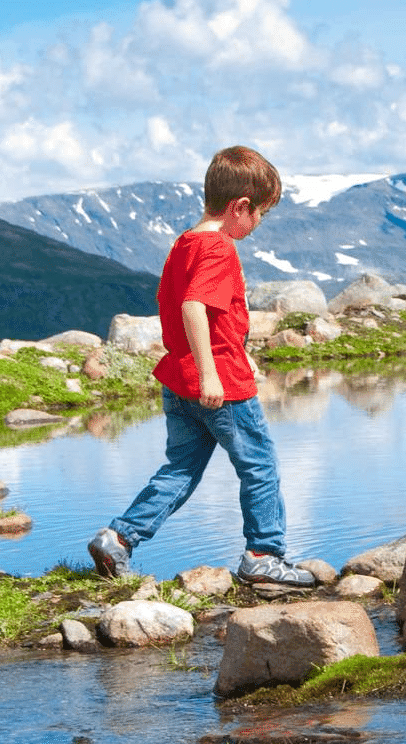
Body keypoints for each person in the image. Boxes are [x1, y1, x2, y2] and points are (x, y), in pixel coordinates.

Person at [87, 145, 316, 587]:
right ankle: (264, 554)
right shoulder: (218, 248)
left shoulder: (185, 243)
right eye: (260, 215)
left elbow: (179, 304)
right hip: (220, 384)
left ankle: (119, 537)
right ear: (240, 207)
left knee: (181, 469)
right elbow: (194, 305)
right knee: (260, 466)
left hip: (179, 381)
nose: (258, 225)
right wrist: (212, 371)